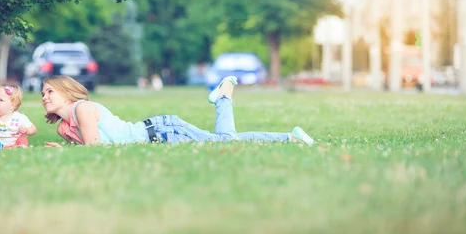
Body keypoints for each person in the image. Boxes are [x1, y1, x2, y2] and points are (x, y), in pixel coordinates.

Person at [41, 75, 314, 147]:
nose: (44, 97)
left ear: (67, 91)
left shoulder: (83, 108)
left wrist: (73, 146)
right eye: (42, 93)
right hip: (160, 133)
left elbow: (95, 146)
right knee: (227, 140)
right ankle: (289, 137)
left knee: (225, 141)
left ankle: (223, 98)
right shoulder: (64, 126)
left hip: (163, 131)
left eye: (49, 91)